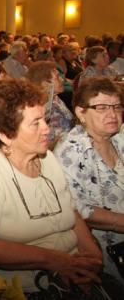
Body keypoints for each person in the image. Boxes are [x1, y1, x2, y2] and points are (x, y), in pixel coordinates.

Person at [0, 79, 103, 296]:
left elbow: (71, 212)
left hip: (74, 271)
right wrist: (55, 261)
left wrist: (92, 256)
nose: (47, 129)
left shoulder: (48, 158)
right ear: (5, 134)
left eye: (45, 119)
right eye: (36, 123)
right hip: (33, 287)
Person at [54, 77, 124, 283]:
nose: (112, 114)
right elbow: (80, 210)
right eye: (101, 107)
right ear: (80, 113)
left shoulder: (119, 137)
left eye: (117, 106)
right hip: (105, 247)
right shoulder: (71, 150)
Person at [25, 61, 74, 145]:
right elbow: (53, 141)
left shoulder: (55, 98)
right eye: (57, 77)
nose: (62, 79)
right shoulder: (43, 107)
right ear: (45, 84)